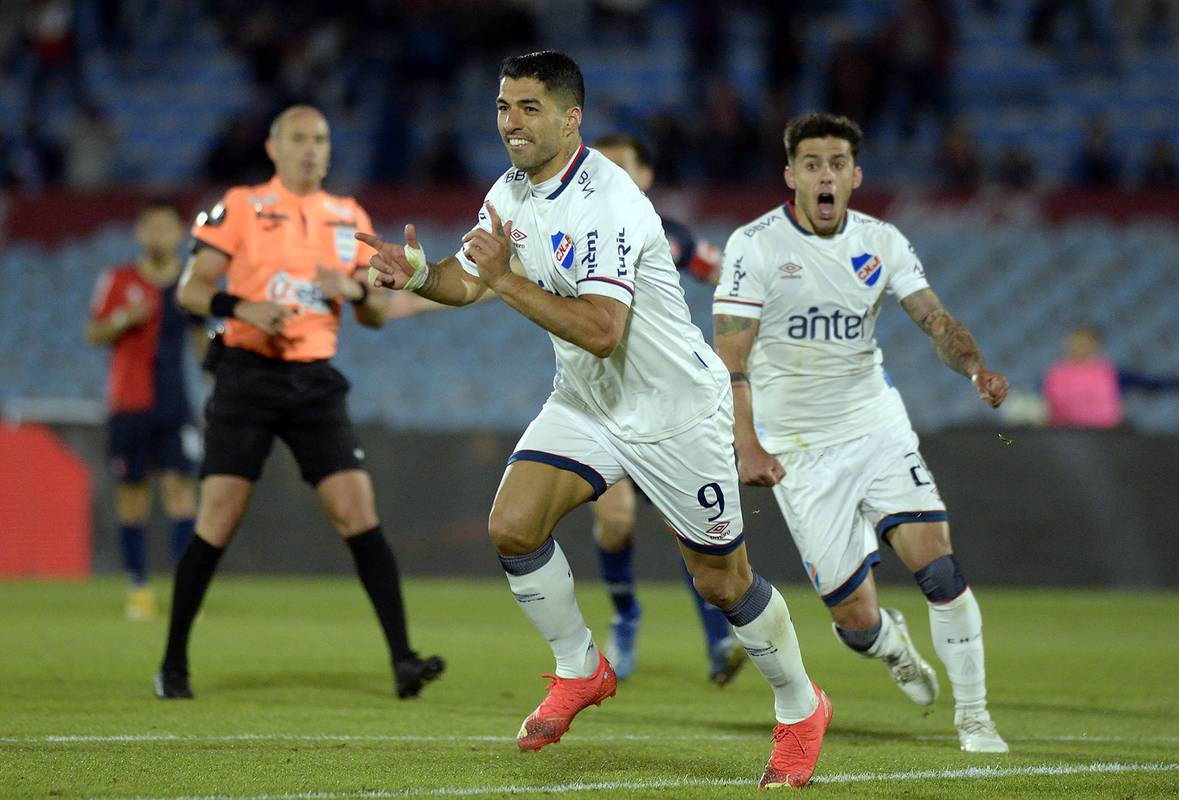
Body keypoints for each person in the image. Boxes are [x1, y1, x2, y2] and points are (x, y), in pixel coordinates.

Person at [360, 50, 831, 789]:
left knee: (723, 585)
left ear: (570, 118)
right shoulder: (511, 191)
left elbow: (603, 328)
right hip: (587, 402)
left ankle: (801, 708)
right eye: (503, 107)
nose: (511, 123)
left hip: (674, 414)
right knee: (512, 527)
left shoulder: (609, 202)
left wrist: (505, 278)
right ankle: (581, 667)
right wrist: (417, 273)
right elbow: (466, 278)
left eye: (529, 109)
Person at [713, 112, 1009, 753]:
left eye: (837, 165)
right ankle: (889, 643)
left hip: (875, 425)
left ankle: (976, 718)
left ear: (855, 175)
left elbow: (934, 319)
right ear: (791, 175)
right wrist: (748, 442)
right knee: (853, 619)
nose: (826, 176)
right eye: (813, 165)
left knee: (939, 567)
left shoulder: (884, 242)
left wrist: (974, 367)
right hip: (796, 449)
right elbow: (731, 356)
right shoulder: (755, 245)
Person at [155, 105, 443, 701]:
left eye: (321, 140)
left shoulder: (350, 216)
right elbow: (191, 288)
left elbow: (374, 316)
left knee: (358, 513)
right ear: (273, 147)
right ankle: (173, 664)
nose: (312, 149)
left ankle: (403, 660)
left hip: (314, 381)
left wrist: (357, 288)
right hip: (247, 376)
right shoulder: (239, 205)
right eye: (300, 139)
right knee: (219, 518)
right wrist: (243, 309)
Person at [586, 132, 742, 685]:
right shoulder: (577, 232)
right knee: (615, 517)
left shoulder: (670, 236)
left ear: (646, 176)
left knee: (689, 528)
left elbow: (725, 273)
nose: (610, 176)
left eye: (622, 166)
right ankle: (626, 616)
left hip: (669, 401)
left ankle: (719, 640)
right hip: (605, 401)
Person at [85, 200, 203, 621]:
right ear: (139, 233)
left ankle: (186, 594)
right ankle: (138, 588)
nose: (158, 236)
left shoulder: (191, 284)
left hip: (176, 405)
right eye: (151, 228)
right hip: (128, 404)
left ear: (179, 233)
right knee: (132, 496)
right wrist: (123, 319)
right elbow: (93, 332)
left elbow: (201, 343)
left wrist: (217, 381)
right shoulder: (117, 279)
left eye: (166, 228)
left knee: (182, 495)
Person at [1043, 325, 1179, 428]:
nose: (1079, 347)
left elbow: (1148, 383)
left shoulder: (1109, 373)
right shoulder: (1055, 374)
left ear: (1094, 345)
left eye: (1084, 342)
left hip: (1105, 436)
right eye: (1075, 342)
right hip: (1064, 435)